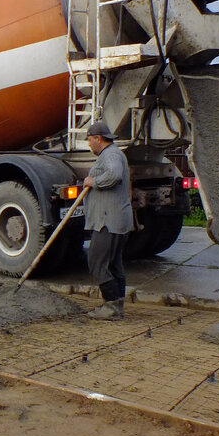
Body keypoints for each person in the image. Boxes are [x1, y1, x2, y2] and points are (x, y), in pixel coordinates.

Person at [82, 121, 132, 320]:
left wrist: (93, 181)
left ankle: (111, 307)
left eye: (90, 140)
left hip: (108, 221)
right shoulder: (112, 153)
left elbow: (114, 175)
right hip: (114, 220)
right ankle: (117, 306)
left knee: (97, 261)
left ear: (98, 139)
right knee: (113, 264)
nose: (89, 144)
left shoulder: (110, 154)